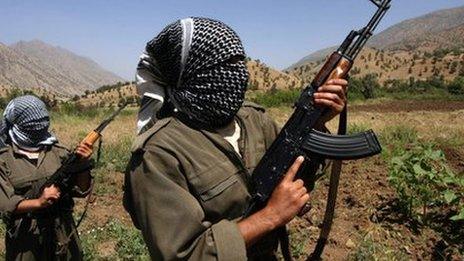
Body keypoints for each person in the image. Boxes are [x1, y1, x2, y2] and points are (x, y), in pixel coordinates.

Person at [123, 17, 348, 260]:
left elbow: (295, 174)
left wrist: (316, 122)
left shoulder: (254, 119)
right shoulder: (157, 154)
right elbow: (184, 255)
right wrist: (269, 217)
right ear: (194, 73)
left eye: (240, 60)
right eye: (226, 63)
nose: (239, 71)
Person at [0, 95, 94, 260]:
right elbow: (6, 204)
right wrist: (38, 203)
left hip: (63, 233)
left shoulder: (59, 152)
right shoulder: (4, 159)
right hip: (26, 238)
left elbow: (82, 189)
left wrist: (83, 164)